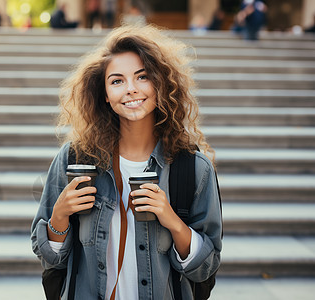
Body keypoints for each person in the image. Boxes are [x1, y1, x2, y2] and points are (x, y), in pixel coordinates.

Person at [31, 24, 222, 299]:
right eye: (117, 81)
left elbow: (206, 267)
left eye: (142, 77)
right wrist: (59, 216)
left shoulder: (193, 168)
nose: (130, 89)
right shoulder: (75, 159)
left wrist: (173, 222)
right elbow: (51, 258)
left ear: (161, 85)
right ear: (105, 96)